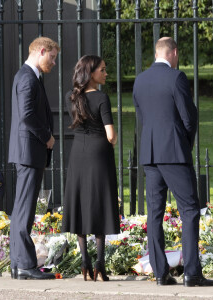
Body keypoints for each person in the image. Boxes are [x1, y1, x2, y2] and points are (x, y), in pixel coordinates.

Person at [133, 37, 213, 287]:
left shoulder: (140, 80)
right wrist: (185, 144)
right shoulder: (176, 77)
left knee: (154, 214)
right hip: (174, 154)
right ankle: (191, 272)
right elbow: (189, 117)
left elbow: (142, 116)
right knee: (189, 210)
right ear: (174, 52)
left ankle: (160, 273)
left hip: (150, 154)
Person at [62, 55, 120, 282]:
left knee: (80, 202)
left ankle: (85, 262)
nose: (106, 74)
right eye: (103, 70)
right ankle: (100, 264)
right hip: (99, 153)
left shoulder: (71, 97)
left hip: (78, 152)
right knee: (99, 202)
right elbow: (111, 135)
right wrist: (112, 141)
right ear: (91, 73)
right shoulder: (102, 98)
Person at [8, 37, 60, 280]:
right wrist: (47, 137)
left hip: (27, 152)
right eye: (52, 57)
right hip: (29, 151)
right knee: (25, 211)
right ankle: (26, 265)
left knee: (22, 210)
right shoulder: (28, 78)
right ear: (42, 51)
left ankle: (18, 265)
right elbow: (28, 115)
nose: (54, 63)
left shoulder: (29, 76)